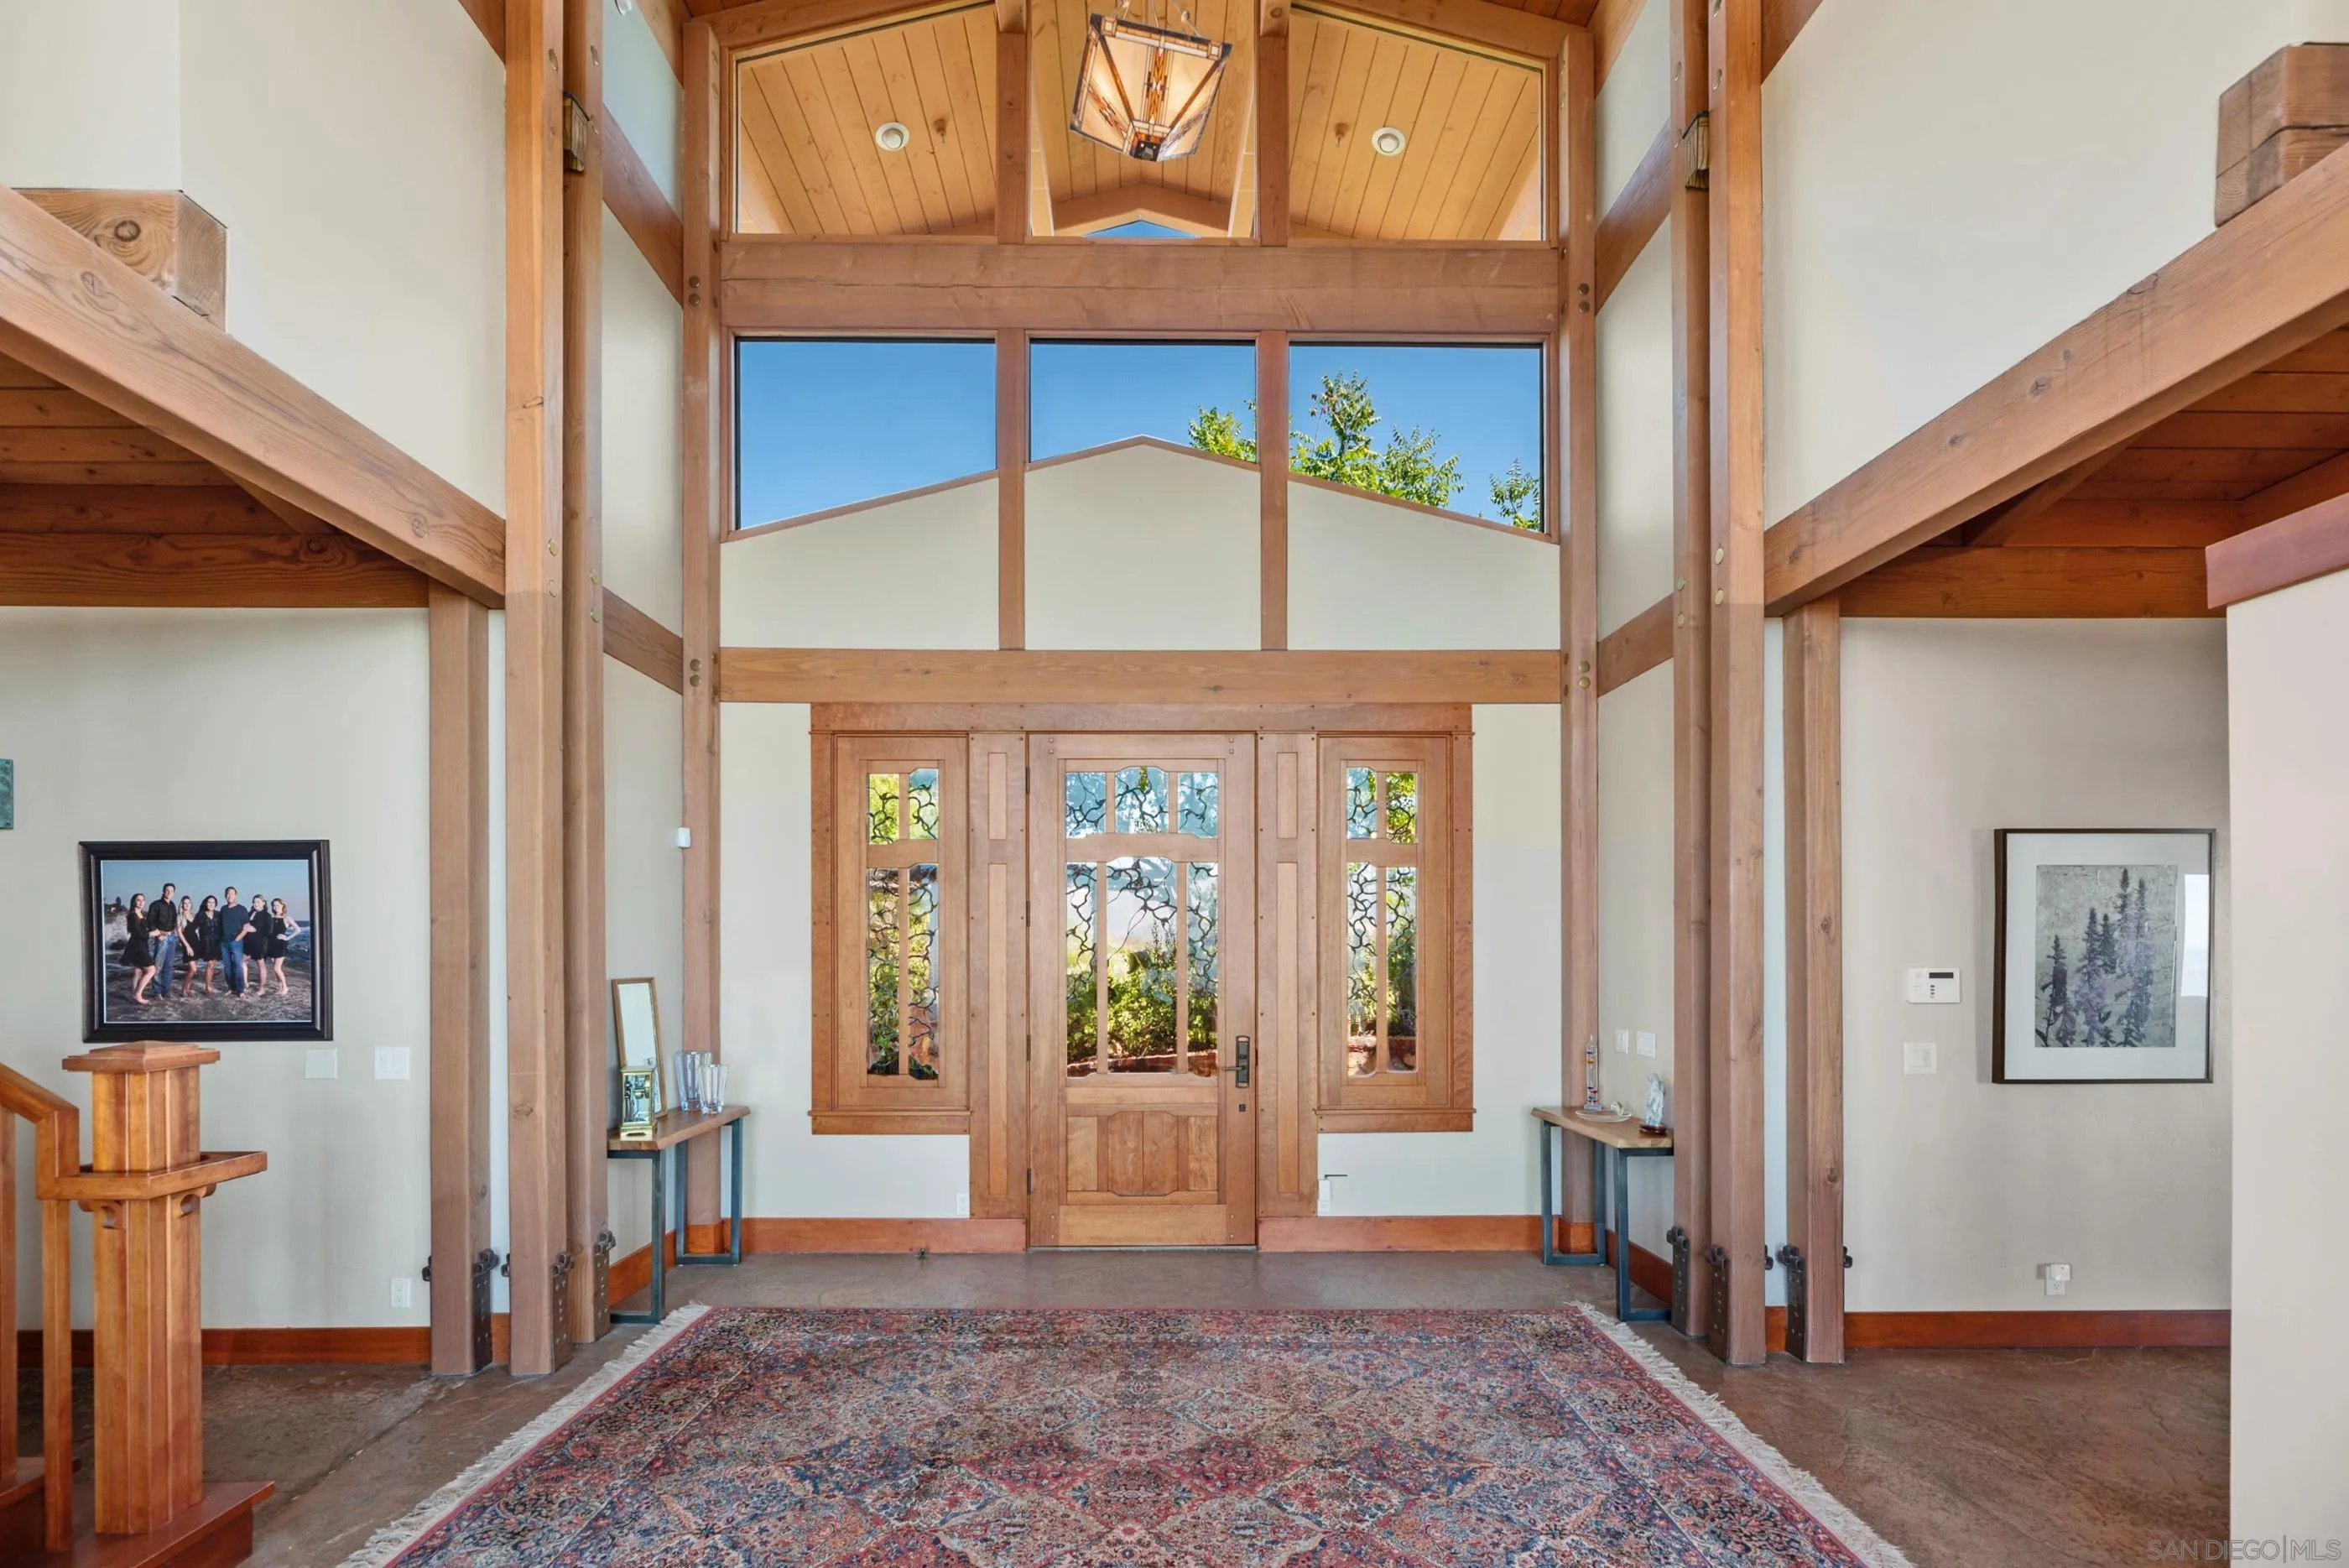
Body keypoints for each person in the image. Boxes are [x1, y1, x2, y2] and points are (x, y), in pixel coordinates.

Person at [148, 882, 183, 999]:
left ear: (174, 893)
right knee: (158, 965)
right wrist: (158, 934)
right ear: (163, 891)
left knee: (169, 966)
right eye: (167, 890)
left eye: (172, 891)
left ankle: (166, 990)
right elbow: (150, 922)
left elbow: (175, 921)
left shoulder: (173, 905)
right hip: (162, 937)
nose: (169, 893)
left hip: (172, 937)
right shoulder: (155, 905)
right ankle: (157, 991)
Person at [184, 895, 222, 998]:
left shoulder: (219, 914)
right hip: (206, 944)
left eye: (213, 902)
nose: (211, 904)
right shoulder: (200, 915)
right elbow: (190, 929)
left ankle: (208, 985)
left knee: (213, 965)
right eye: (209, 902)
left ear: (216, 904)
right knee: (209, 965)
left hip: (217, 943)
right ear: (206, 903)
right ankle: (208, 988)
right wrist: (186, 944)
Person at [122, 892, 156, 1005]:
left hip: (141, 944)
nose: (141, 902)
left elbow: (145, 929)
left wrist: (157, 932)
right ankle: (138, 994)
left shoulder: (141, 914)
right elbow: (138, 933)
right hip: (138, 946)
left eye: (143, 900)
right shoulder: (133, 915)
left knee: (138, 971)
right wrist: (152, 933)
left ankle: (134, 995)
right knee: (151, 970)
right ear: (134, 902)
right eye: (138, 900)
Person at [219, 888, 252, 999]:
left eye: (232, 894)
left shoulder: (241, 909)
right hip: (224, 943)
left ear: (236, 896)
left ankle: (240, 990)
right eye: (228, 894)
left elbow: (246, 927)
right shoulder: (223, 909)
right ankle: (231, 988)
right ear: (225, 896)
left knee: (238, 966)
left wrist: (239, 938)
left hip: (236, 942)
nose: (230, 896)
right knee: (227, 967)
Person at [265, 899, 298, 996]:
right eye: (274, 905)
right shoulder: (271, 917)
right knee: (275, 968)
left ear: (283, 906)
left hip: (280, 945)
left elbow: (298, 929)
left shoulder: (287, 918)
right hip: (271, 945)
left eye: (278, 905)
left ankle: (285, 987)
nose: (276, 907)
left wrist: (287, 938)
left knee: (277, 968)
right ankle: (280, 987)